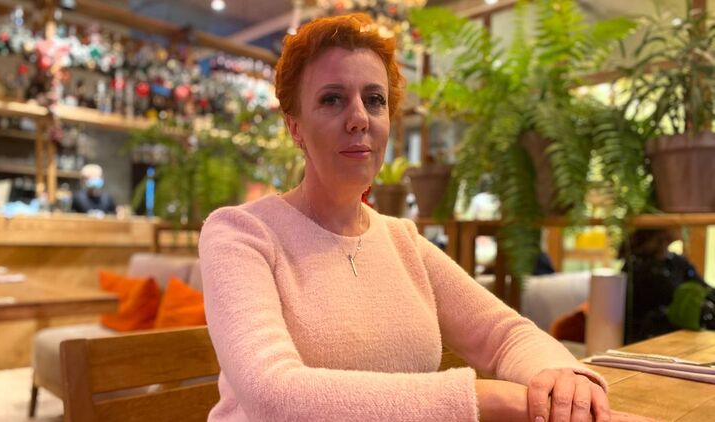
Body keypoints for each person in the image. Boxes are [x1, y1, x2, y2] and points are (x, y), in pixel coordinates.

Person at [199, 14, 636, 422]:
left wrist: (563, 377)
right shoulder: (241, 234)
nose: (359, 118)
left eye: (374, 100)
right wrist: (487, 399)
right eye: (332, 99)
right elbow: (273, 395)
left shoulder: (402, 241)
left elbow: (506, 334)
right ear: (295, 126)